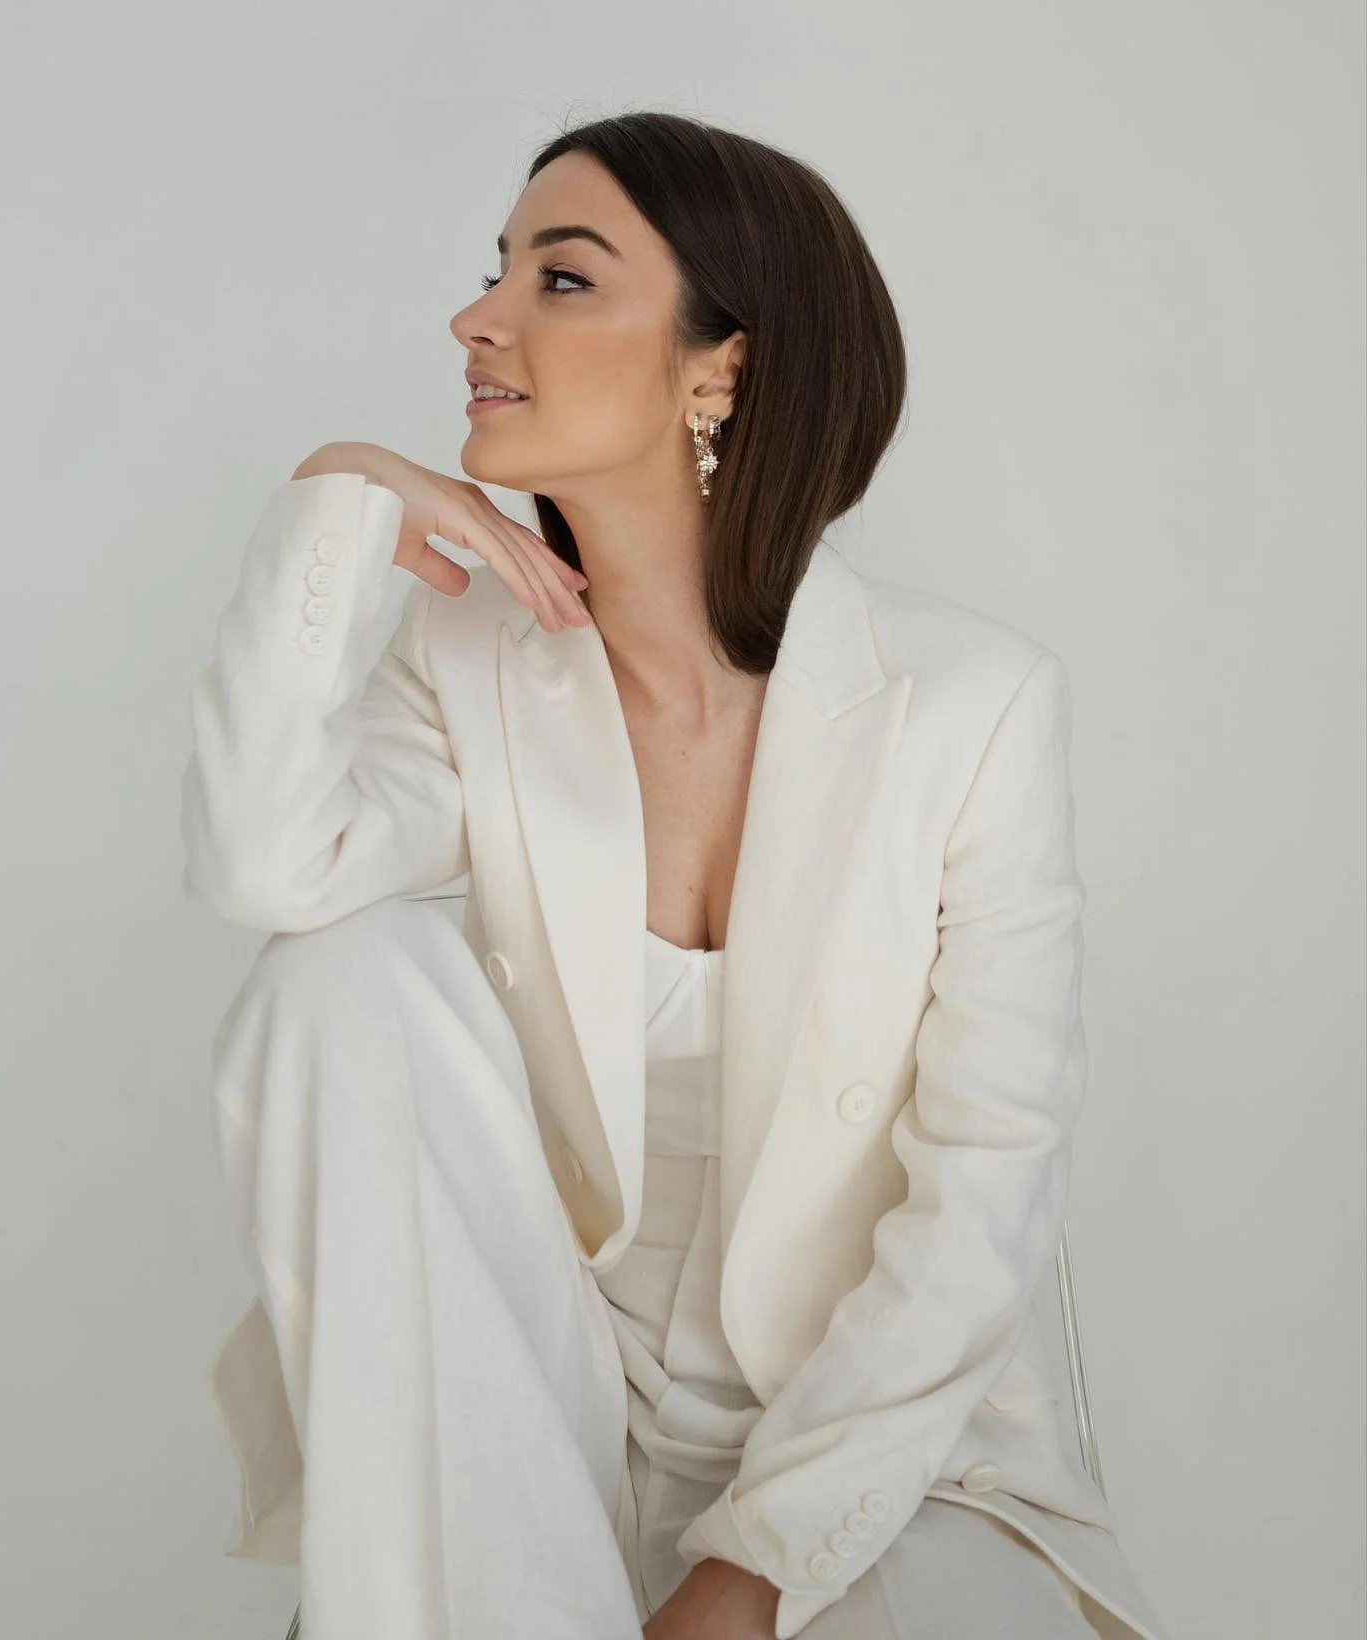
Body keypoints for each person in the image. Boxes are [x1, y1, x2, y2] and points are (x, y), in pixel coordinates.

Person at [182, 112, 1171, 1640]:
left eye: (560, 280)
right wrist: (339, 497)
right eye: (494, 269)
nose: (478, 315)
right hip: (534, 1432)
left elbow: (985, 1192)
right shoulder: (472, 669)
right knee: (338, 970)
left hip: (874, 1450)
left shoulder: (969, 704)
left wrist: (757, 1565)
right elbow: (266, 863)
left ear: (721, 366)